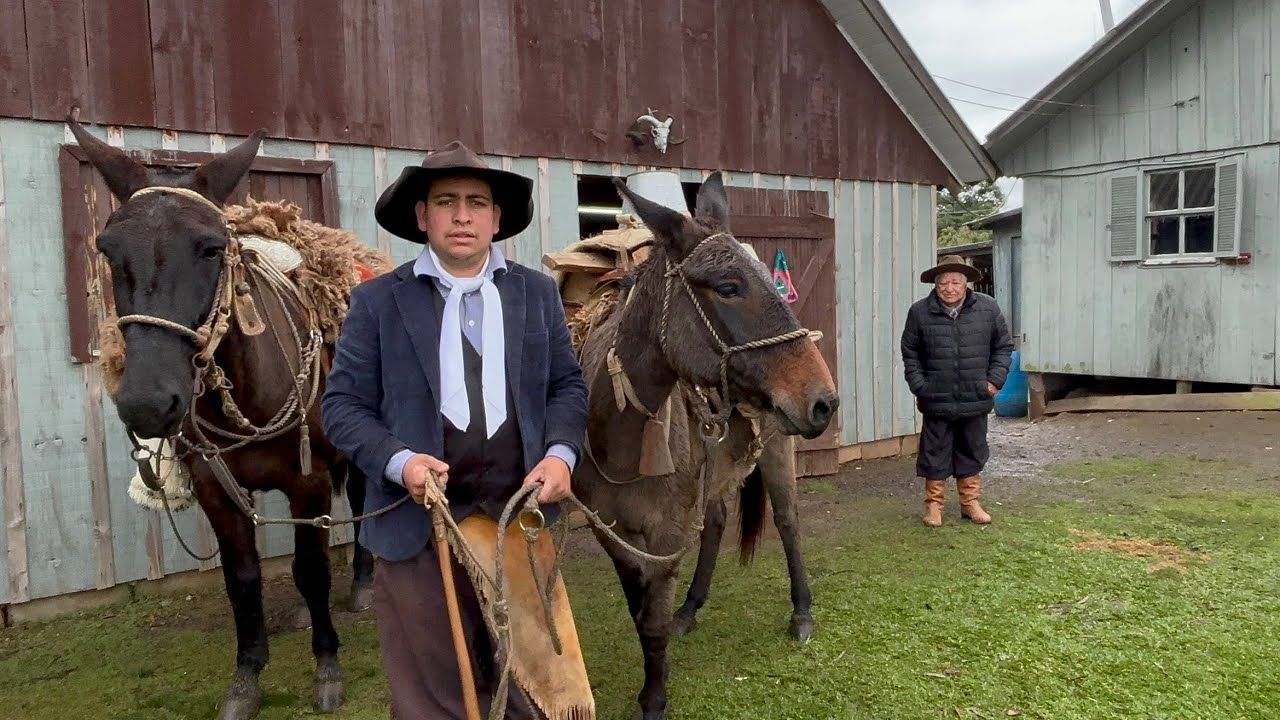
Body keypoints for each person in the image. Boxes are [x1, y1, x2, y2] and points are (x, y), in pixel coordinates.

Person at [320, 141, 589, 718]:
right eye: (446, 202)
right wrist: (401, 463)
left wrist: (561, 454)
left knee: (529, 687)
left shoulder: (536, 293)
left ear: (496, 218)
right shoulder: (376, 302)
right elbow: (341, 407)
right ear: (423, 216)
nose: (462, 216)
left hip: (517, 521)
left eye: (476, 203)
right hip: (417, 532)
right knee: (434, 696)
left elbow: (567, 386)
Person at [900, 254, 1014, 527]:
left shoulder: (987, 308)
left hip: (975, 396)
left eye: (955, 282)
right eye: (943, 283)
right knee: (934, 451)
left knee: (972, 449)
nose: (949, 288)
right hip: (936, 398)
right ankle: (934, 506)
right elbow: (910, 353)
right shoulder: (919, 312)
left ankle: (970, 503)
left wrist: (994, 381)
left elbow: (1003, 347)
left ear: (966, 284)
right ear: (935, 285)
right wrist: (920, 386)